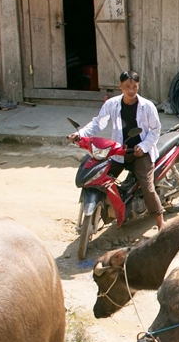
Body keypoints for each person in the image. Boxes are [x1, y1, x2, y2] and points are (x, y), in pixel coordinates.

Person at [69, 71, 166, 232]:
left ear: (138, 86)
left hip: (141, 152)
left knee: (147, 187)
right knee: (99, 175)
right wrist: (80, 135)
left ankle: (160, 222)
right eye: (127, 86)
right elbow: (97, 124)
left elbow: (156, 130)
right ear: (120, 86)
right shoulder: (112, 104)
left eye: (134, 87)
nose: (131, 90)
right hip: (119, 151)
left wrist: (144, 146)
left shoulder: (147, 106)